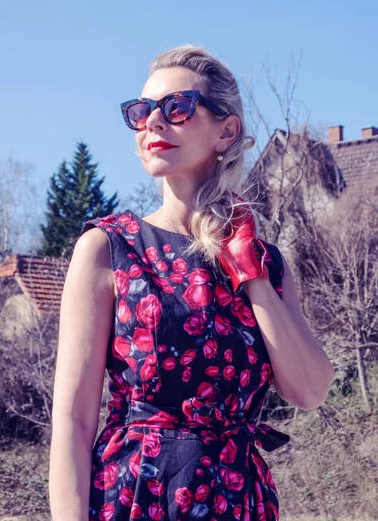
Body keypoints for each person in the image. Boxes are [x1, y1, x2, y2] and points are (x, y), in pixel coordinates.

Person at [49, 44, 335, 521]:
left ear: (226, 130)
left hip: (238, 500)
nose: (153, 123)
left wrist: (252, 278)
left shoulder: (268, 264)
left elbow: (310, 389)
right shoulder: (107, 247)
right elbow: (74, 421)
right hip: (135, 497)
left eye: (176, 107)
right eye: (141, 112)